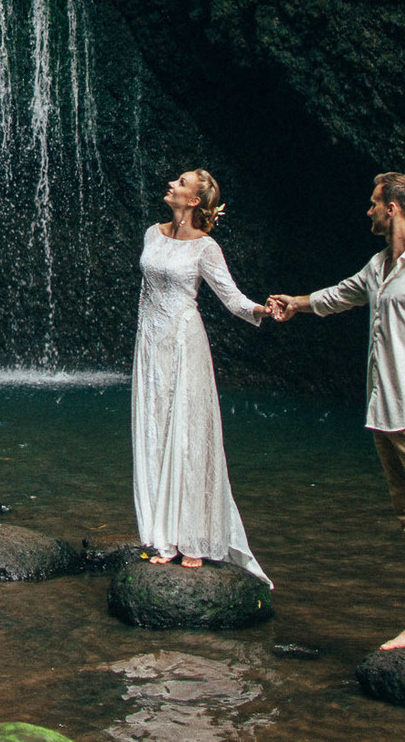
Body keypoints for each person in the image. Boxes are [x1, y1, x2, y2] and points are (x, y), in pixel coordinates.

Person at [267, 172, 405, 673]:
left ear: (393, 208)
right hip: (384, 413)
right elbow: (339, 295)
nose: (368, 211)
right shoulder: (378, 266)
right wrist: (295, 304)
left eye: (373, 203)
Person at [131, 167, 272, 579]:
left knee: (188, 435)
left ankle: (193, 535)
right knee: (155, 430)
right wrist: (144, 338)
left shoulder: (206, 248)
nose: (171, 185)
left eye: (181, 183)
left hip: (184, 343)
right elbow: (145, 293)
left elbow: (232, 298)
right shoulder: (152, 234)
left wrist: (261, 311)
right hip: (150, 343)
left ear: (194, 200)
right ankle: (162, 535)